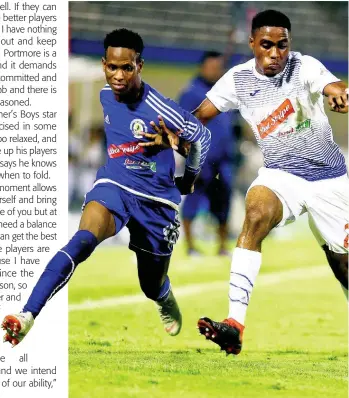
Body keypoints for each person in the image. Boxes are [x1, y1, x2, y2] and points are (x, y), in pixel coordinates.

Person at [141, 10, 349, 355]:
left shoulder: (304, 67)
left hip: (329, 181)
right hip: (281, 176)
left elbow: (332, 85)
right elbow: (201, 116)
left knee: (343, 267)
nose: (275, 54)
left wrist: (339, 92)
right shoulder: (237, 80)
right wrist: (172, 135)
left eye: (282, 45)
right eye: (266, 45)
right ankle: (234, 325)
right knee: (254, 214)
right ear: (252, 43)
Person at [2, 28, 211, 346]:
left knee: (150, 285)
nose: (118, 75)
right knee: (82, 241)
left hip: (157, 201)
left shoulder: (161, 108)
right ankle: (27, 314)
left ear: (139, 65)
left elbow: (202, 137)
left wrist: (189, 177)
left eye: (126, 67)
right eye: (111, 67)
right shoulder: (104, 96)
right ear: (104, 64)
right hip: (115, 185)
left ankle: (163, 296)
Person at [178, 51, 241, 256]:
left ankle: (222, 246)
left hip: (224, 159)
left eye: (219, 67)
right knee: (193, 200)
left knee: (223, 203)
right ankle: (190, 246)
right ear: (203, 67)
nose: (216, 71)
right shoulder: (191, 92)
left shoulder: (226, 92)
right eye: (212, 67)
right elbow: (182, 124)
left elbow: (235, 122)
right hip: (200, 158)